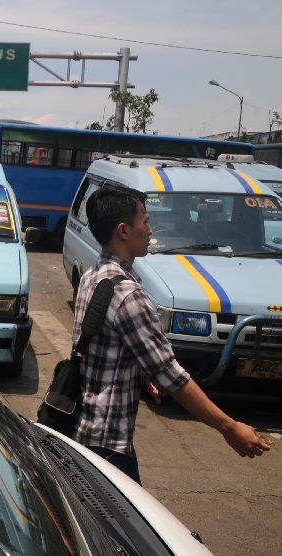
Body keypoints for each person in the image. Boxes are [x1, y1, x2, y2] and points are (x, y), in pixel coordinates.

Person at [72, 184, 270, 484]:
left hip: (87, 428)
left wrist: (140, 373)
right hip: (107, 443)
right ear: (124, 231)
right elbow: (172, 377)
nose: (150, 230)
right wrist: (229, 427)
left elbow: (102, 347)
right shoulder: (127, 293)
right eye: (146, 222)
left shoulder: (93, 275)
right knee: (124, 528)